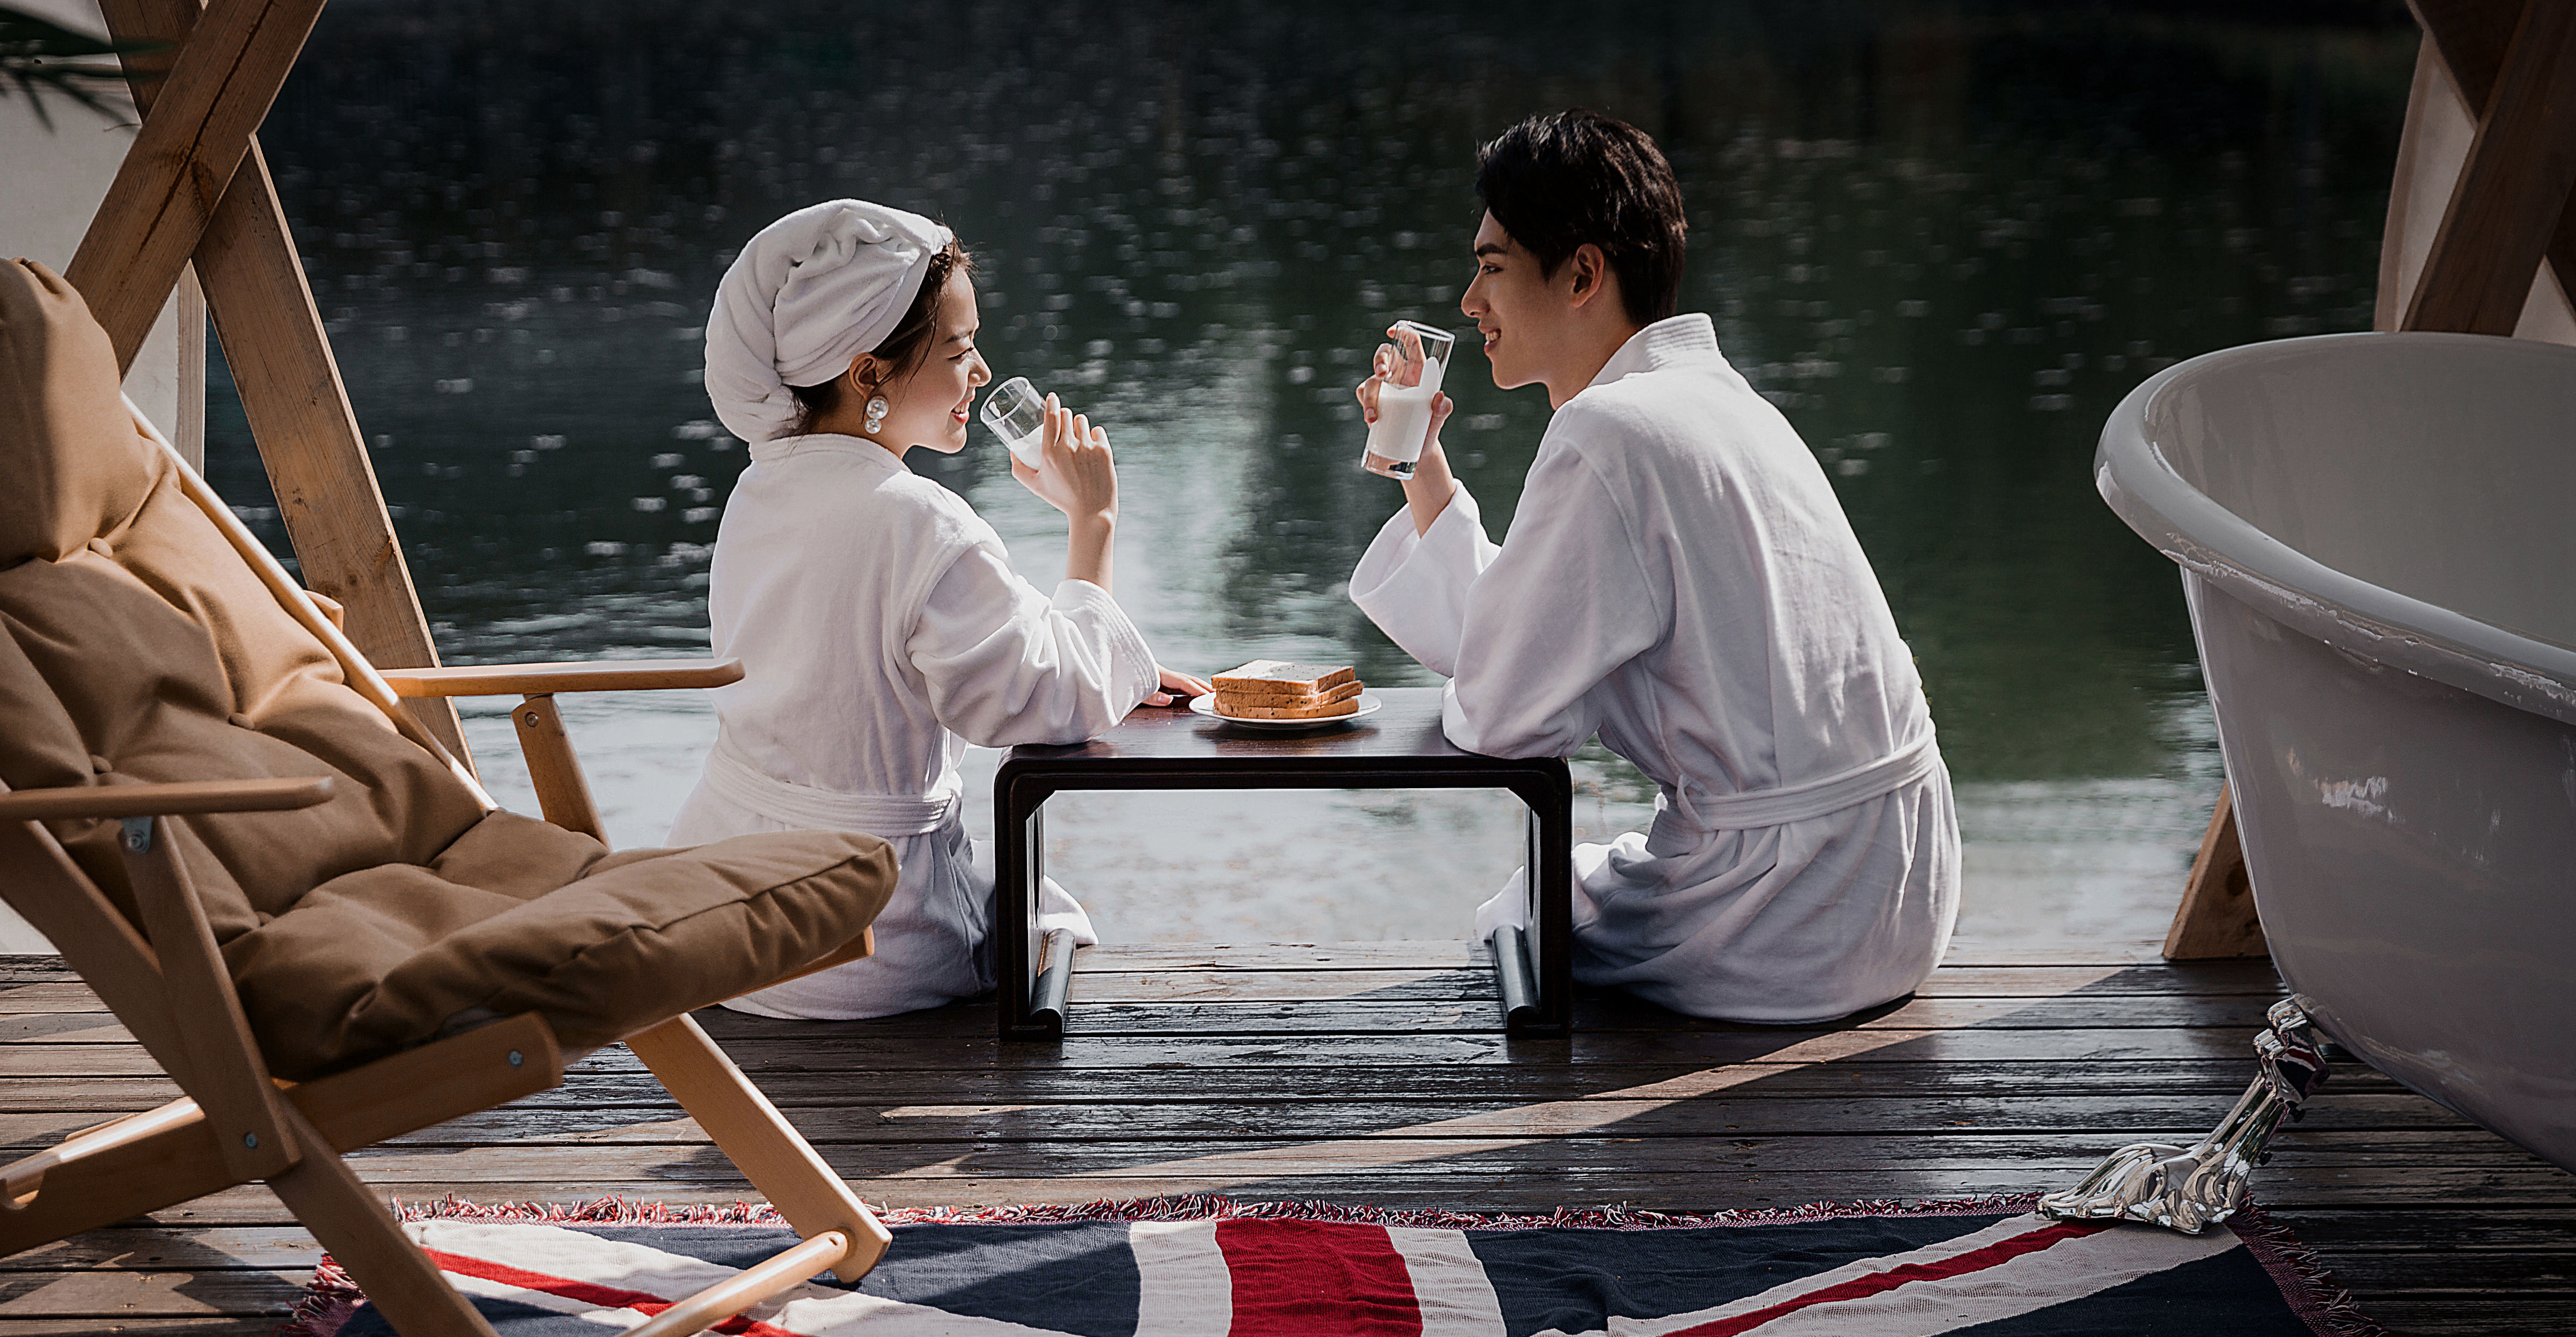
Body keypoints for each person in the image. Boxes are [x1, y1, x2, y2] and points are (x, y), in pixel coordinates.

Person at [1349, 112, 1959, 1023]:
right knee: (1556, 890)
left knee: (1522, 912)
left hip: (1790, 913)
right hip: (1907, 879)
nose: (1470, 302)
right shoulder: (1720, 400)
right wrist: (1423, 469)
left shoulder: (1606, 431)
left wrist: (1498, 688)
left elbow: (1502, 710)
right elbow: (1528, 637)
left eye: (1492, 267)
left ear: (1582, 274)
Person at [670, 197, 1205, 1017]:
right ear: (869, 375)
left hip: (724, 913)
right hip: (862, 937)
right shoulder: (920, 518)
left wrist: (1100, 655)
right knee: (1047, 931)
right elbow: (1051, 704)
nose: (981, 371)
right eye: (959, 349)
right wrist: (1092, 522)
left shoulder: (762, 488)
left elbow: (892, 639)